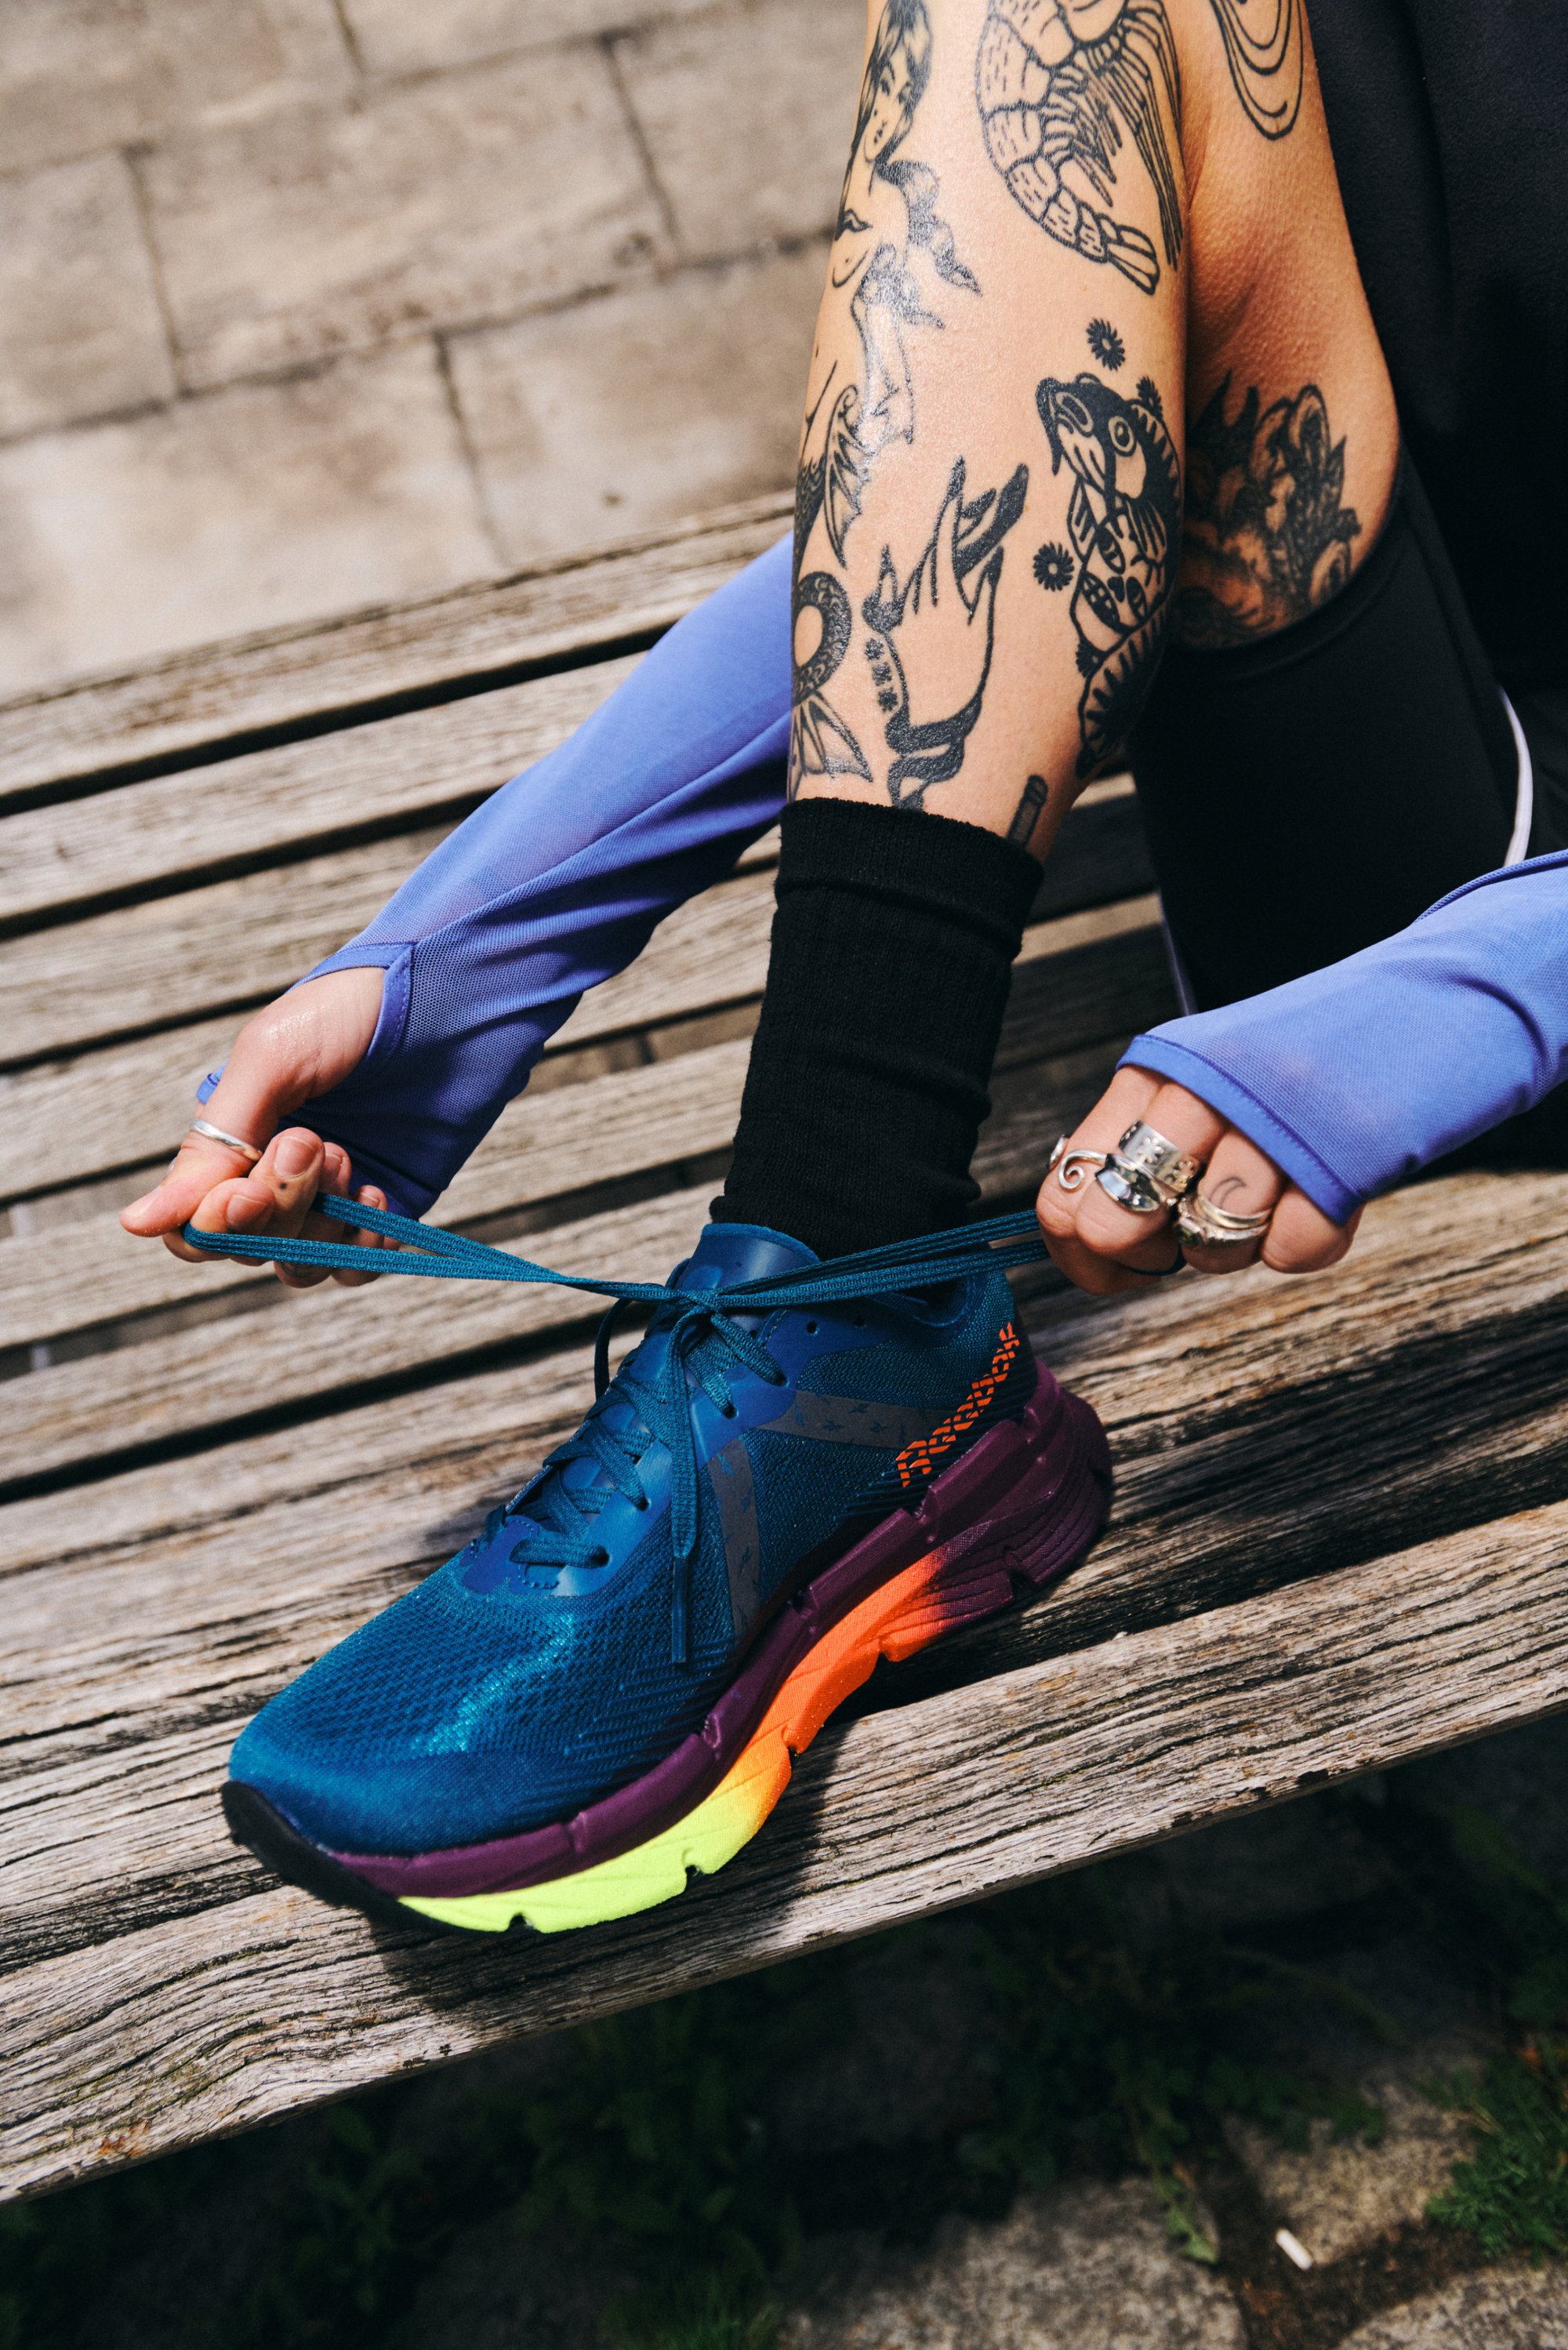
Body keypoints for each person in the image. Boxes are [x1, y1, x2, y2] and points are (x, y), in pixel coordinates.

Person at [119, 0, 1566, 1933]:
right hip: (1386, 732)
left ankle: (821, 1348)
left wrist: (1469, 996)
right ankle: (828, 1292)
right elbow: (1078, 386)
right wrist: (495, 929)